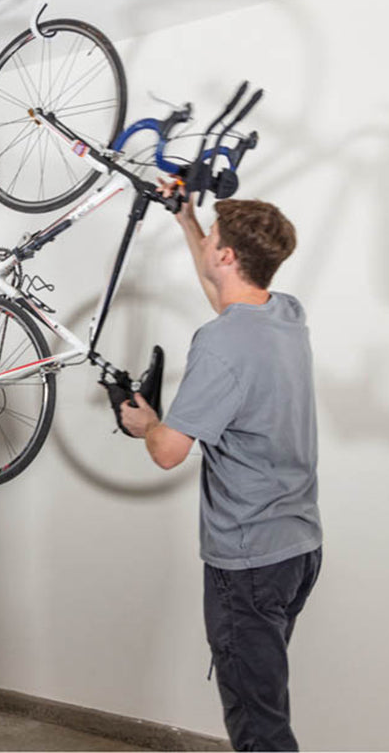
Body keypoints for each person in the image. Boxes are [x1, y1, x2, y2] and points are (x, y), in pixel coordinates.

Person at [119, 191, 322, 752]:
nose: (206, 243)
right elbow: (226, 299)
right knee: (264, 700)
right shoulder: (285, 313)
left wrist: (147, 423)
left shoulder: (220, 345)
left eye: (211, 237)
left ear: (227, 255)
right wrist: (187, 220)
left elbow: (168, 452)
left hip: (249, 562)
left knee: (259, 727)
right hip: (298, 549)